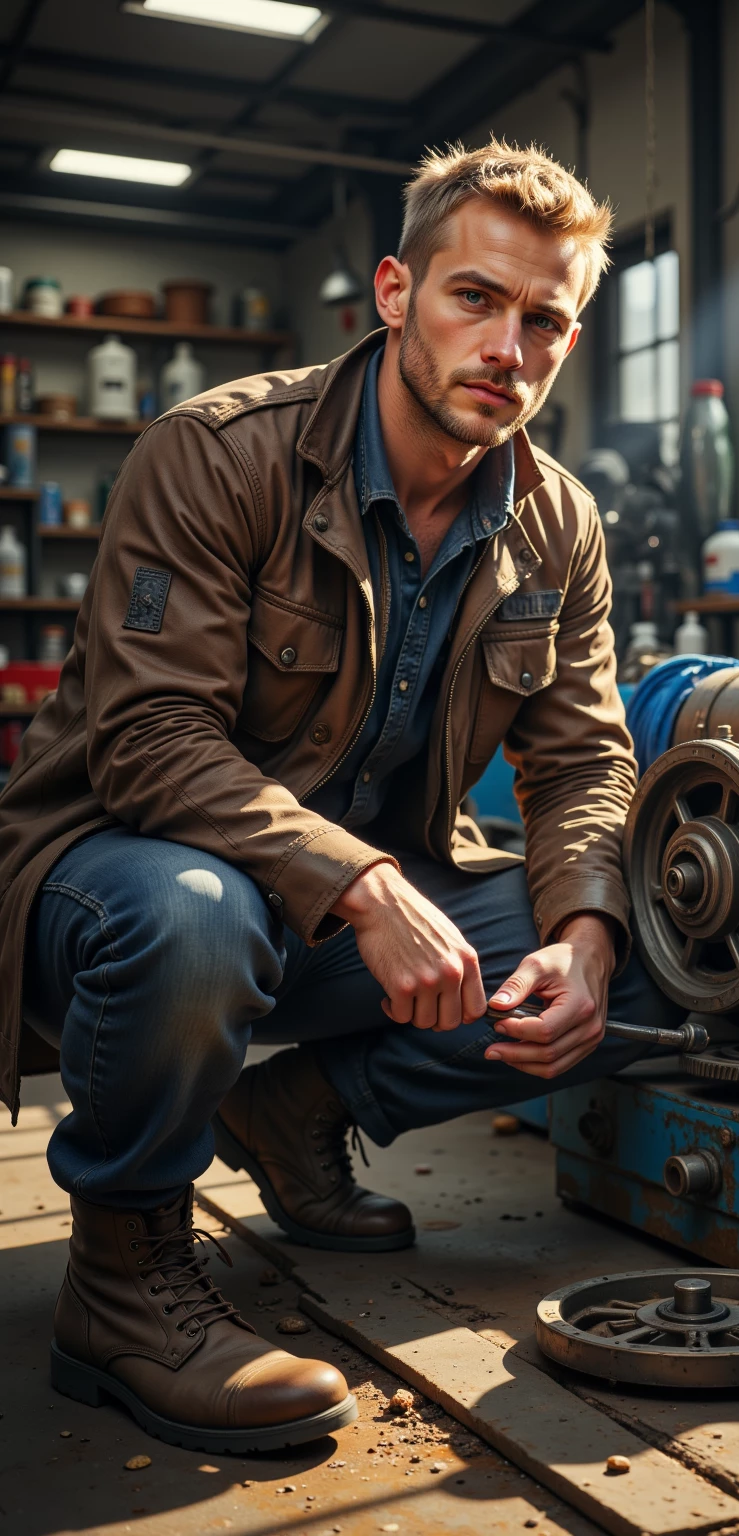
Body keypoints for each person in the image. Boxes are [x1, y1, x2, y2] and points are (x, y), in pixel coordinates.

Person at [0, 140, 680, 1454]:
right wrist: (360, 884)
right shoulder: (216, 453)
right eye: (473, 298)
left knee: (657, 935)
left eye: (545, 319)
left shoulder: (558, 523)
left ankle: (303, 1111)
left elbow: (587, 760)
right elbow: (145, 737)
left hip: (342, 923)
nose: (508, 344)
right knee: (200, 916)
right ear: (392, 291)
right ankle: (125, 1277)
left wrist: (584, 940)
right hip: (115, 886)